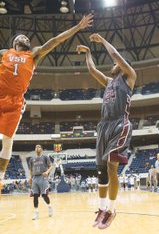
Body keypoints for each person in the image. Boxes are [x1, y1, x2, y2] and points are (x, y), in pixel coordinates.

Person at [0, 13, 93, 184]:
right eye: (23, 37)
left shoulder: (34, 54)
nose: (26, 38)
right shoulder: (5, 53)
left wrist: (78, 27)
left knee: (7, 139)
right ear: (15, 42)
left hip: (15, 100)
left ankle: (0, 176)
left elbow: (56, 40)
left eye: (27, 38)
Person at [76, 33, 136, 229]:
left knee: (111, 166)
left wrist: (102, 40)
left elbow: (116, 55)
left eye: (119, 61)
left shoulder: (129, 77)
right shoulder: (109, 82)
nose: (116, 63)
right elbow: (92, 70)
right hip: (104, 125)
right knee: (102, 170)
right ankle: (102, 209)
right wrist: (88, 52)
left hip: (120, 124)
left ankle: (111, 209)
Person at [29, 144, 53, 220]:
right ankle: (36, 213)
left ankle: (49, 207)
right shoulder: (31, 159)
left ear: (41, 149)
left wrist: (47, 172)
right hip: (35, 178)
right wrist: (30, 178)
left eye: (39, 147)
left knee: (44, 195)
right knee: (35, 196)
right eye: (36, 147)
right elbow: (31, 170)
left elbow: (51, 166)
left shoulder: (45, 157)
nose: (37, 148)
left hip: (43, 177)